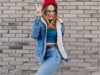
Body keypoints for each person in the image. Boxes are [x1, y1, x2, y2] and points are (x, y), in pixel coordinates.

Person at [31, 0, 68, 75]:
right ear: (44, 11)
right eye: (49, 11)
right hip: (43, 54)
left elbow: (60, 41)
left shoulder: (59, 23)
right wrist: (37, 18)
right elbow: (34, 35)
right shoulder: (40, 22)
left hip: (54, 54)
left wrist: (62, 55)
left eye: (53, 11)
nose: (51, 13)